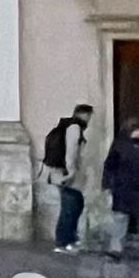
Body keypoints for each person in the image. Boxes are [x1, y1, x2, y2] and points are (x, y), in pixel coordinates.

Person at [41, 102, 93, 253]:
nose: (89, 120)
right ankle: (63, 242)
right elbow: (71, 151)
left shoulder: (70, 126)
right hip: (65, 174)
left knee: (75, 204)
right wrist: (71, 172)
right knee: (69, 208)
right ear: (84, 115)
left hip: (62, 173)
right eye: (89, 116)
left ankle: (70, 239)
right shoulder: (74, 128)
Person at [102, 118, 139, 261]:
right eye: (136, 129)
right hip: (123, 188)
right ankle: (115, 249)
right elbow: (110, 166)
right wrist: (107, 184)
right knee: (120, 219)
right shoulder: (119, 145)